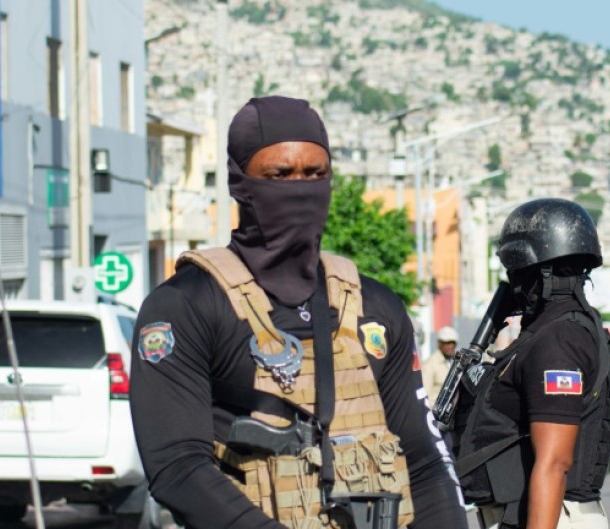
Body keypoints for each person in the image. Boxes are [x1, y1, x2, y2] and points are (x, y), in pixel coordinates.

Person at [129, 96, 467, 529]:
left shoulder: (373, 306)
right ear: (239, 182)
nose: (301, 188)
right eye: (280, 175)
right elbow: (176, 466)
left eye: (315, 174)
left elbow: (424, 458)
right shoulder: (187, 304)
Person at [470, 198, 610, 529]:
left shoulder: (559, 340)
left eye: (517, 270)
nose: (513, 282)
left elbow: (555, 463)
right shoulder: (558, 330)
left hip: (548, 518)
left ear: (539, 270)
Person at [422, 326, 459, 405]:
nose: (450, 346)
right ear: (439, 343)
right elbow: (424, 394)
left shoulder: (456, 362)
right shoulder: (430, 364)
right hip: (435, 412)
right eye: (446, 342)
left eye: (452, 342)